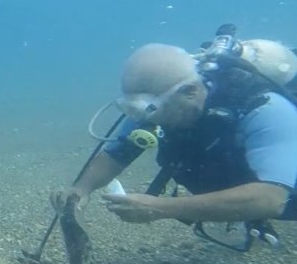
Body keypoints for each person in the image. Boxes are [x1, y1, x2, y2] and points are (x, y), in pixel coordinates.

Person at [51, 29, 297, 250]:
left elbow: (270, 198)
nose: (141, 117)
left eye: (146, 108)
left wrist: (159, 207)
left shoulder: (265, 109)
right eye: (133, 108)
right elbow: (118, 153)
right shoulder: (159, 106)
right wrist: (80, 189)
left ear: (191, 91)